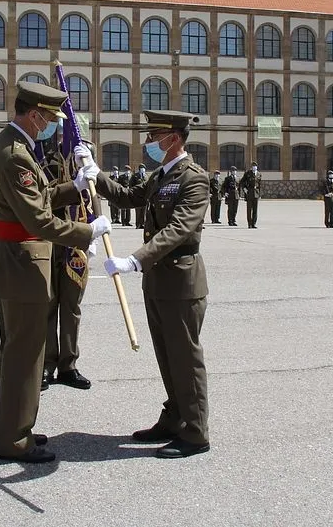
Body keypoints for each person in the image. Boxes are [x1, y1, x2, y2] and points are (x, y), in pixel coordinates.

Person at [0, 81, 111, 464]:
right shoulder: (15, 153)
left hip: (16, 263)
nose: (51, 124)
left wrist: (77, 186)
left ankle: (14, 427)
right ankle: (13, 440)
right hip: (23, 263)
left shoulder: (13, 144)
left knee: (20, 352)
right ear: (34, 114)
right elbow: (39, 219)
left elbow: (43, 195)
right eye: (49, 118)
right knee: (24, 354)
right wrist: (89, 232)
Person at [94, 109, 211, 459]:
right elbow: (130, 197)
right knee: (167, 356)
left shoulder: (193, 178)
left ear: (172, 138)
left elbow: (180, 229)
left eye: (153, 136)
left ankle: (195, 432)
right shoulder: (163, 174)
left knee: (185, 358)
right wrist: (94, 174)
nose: (148, 143)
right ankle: (175, 417)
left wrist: (135, 259)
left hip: (181, 281)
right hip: (158, 281)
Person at [37, 140, 92, 392]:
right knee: (47, 304)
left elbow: (93, 196)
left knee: (71, 306)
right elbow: (43, 198)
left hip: (76, 243)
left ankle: (68, 365)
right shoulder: (40, 159)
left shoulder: (85, 159)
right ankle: (47, 364)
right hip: (49, 238)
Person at [240, 161, 262, 229]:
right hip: (249, 193)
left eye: (255, 166)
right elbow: (242, 182)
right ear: (251, 167)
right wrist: (244, 189)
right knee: (249, 210)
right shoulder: (247, 173)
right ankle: (249, 223)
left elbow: (260, 185)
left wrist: (259, 194)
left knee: (255, 210)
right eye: (253, 166)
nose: (254, 167)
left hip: (256, 193)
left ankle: (254, 223)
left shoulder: (259, 174)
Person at [130, 164, 147, 228]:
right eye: (141, 168)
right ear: (139, 169)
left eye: (143, 168)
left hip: (144, 197)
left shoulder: (146, 176)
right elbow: (131, 185)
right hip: (137, 196)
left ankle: (142, 224)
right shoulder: (135, 176)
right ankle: (138, 224)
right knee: (138, 211)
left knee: (143, 211)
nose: (142, 169)